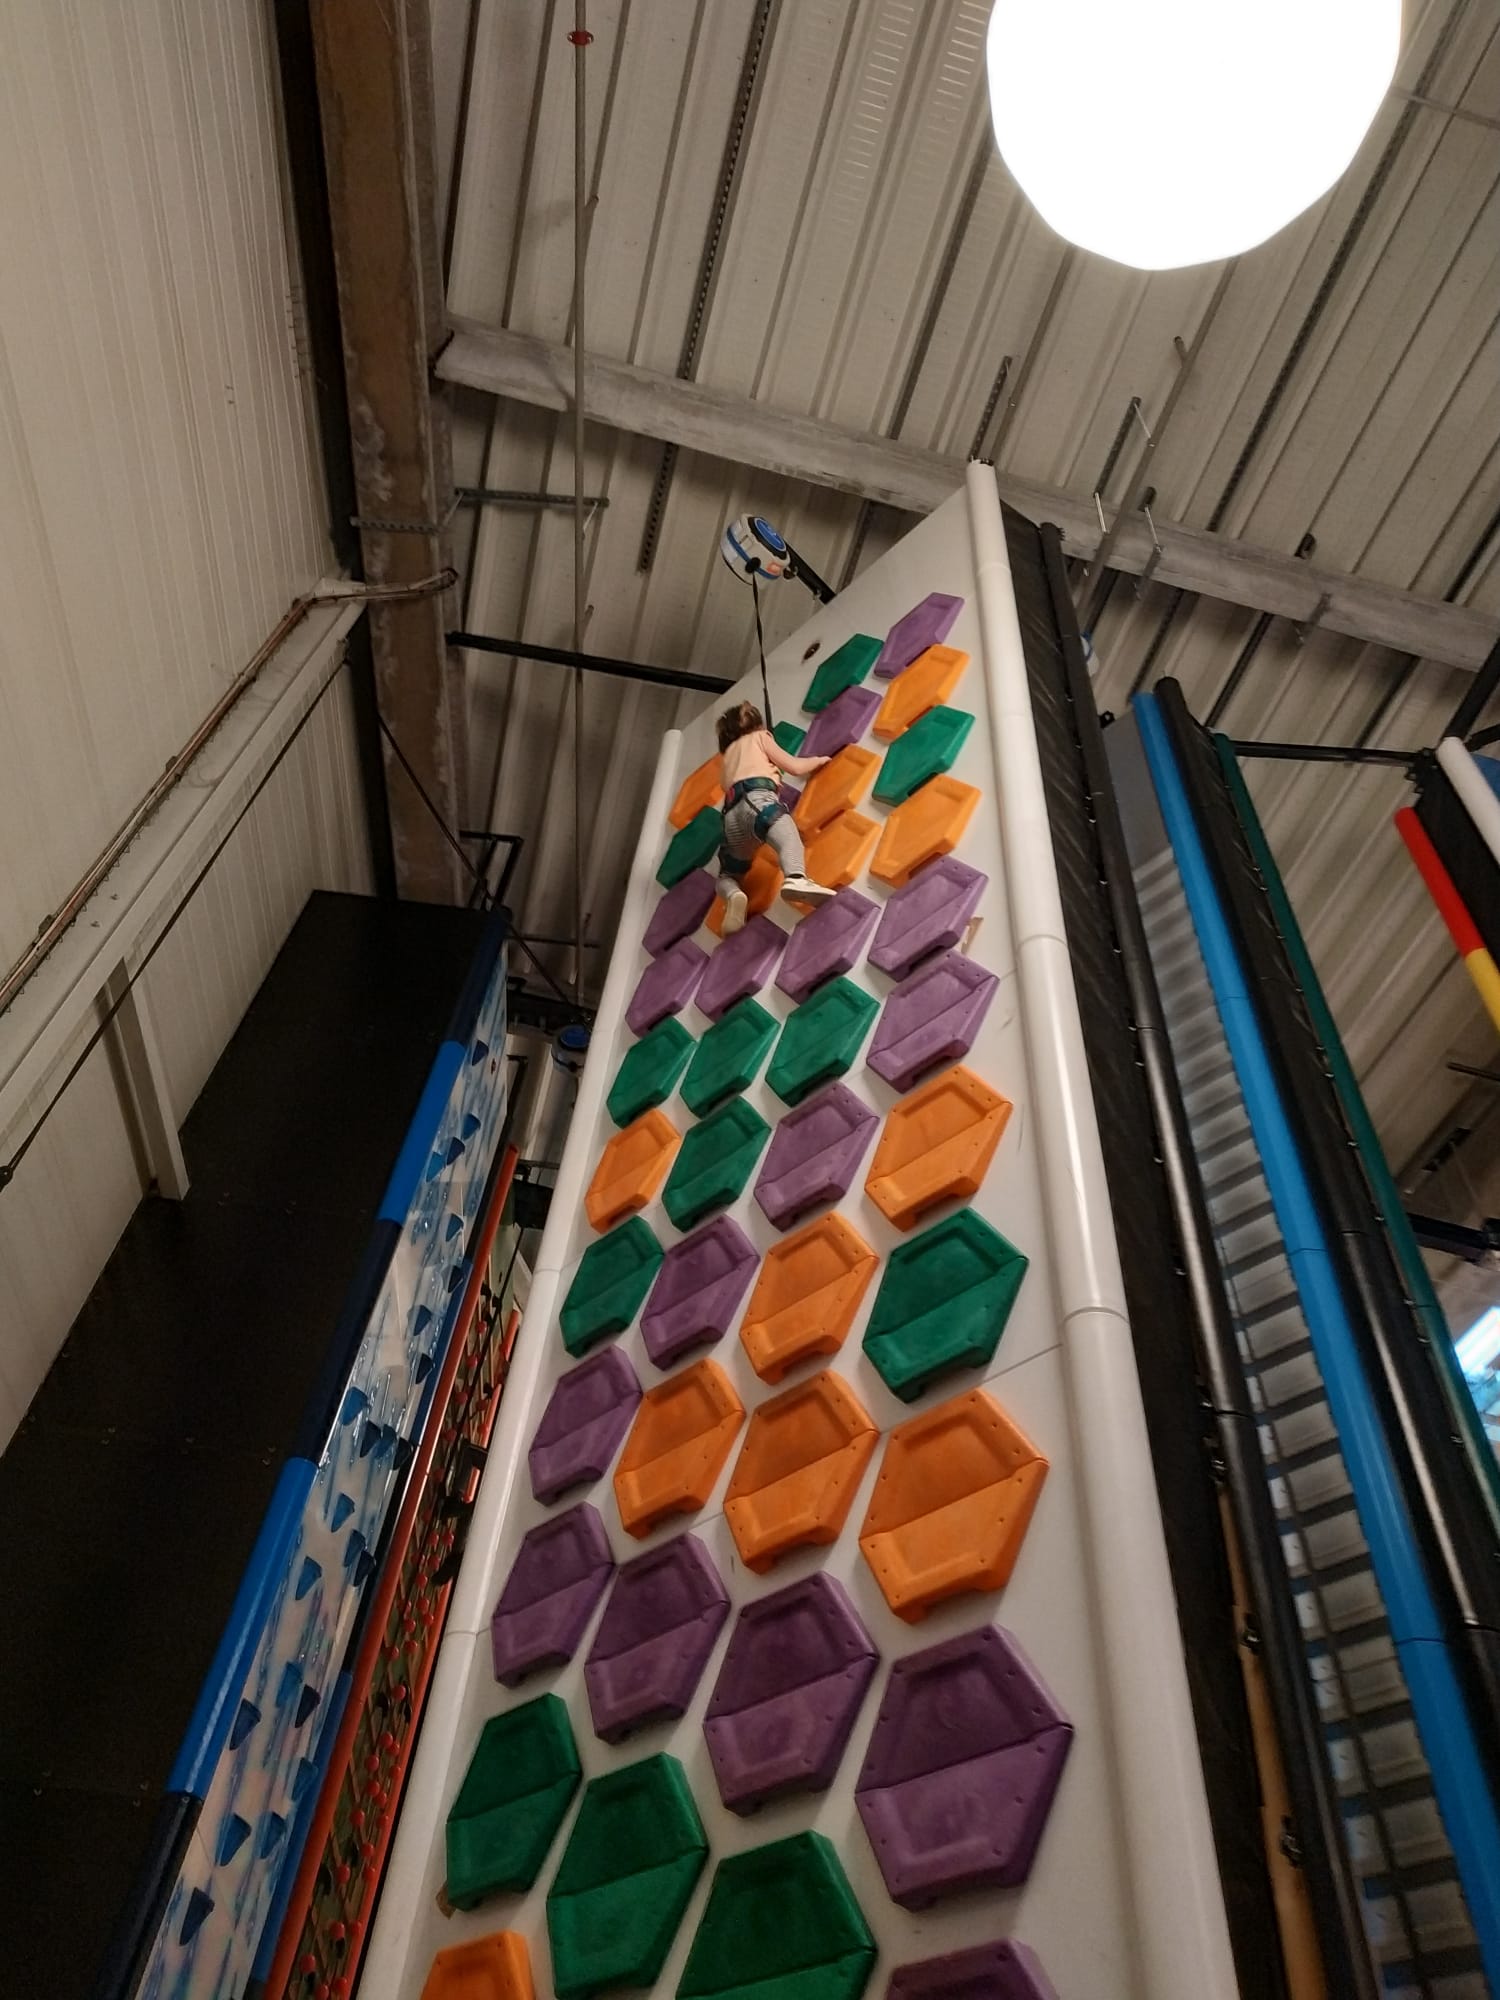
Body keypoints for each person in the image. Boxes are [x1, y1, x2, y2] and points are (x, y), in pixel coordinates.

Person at [714, 700, 835, 935]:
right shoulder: (760, 737)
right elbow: (795, 767)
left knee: (727, 874)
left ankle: (734, 895)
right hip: (758, 802)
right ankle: (796, 878)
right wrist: (818, 760)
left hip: (731, 818)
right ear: (755, 725)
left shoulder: (727, 759)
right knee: (789, 839)